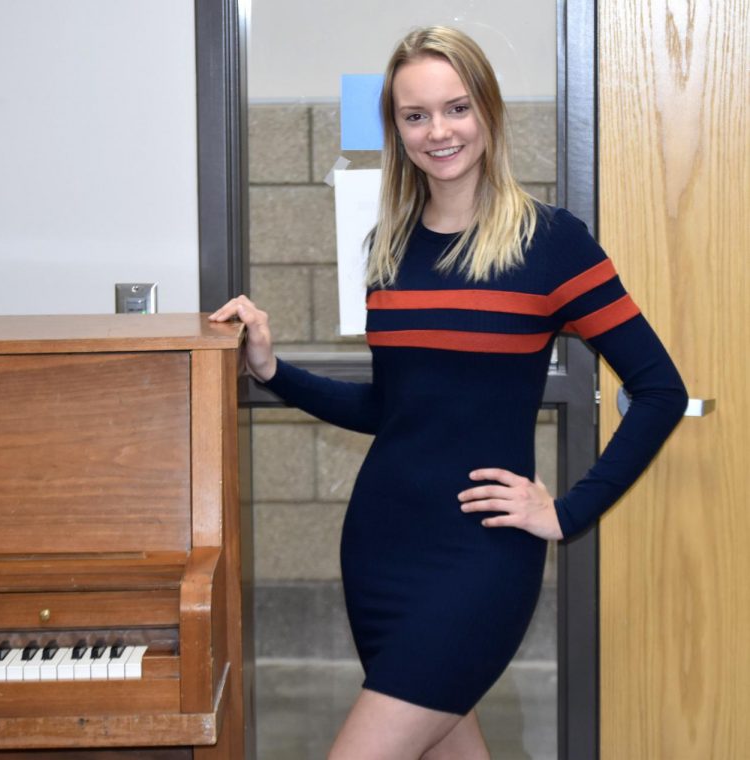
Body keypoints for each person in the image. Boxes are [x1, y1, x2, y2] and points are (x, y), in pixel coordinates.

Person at [211, 26, 687, 760]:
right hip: (380, 547)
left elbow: (659, 389)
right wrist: (273, 372)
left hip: (480, 558)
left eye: (456, 108)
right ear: (397, 132)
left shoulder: (552, 242)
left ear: (489, 114)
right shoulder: (388, 247)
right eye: (416, 115)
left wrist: (566, 512)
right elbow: (394, 411)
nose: (439, 131)